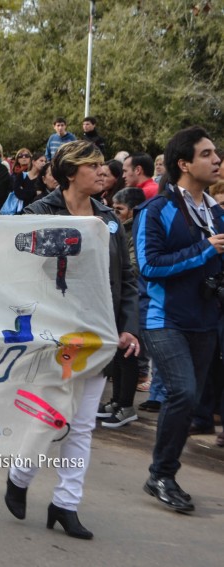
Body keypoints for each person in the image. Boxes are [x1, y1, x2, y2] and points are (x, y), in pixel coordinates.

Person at [4, 140, 139, 539]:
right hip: (53, 334)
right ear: (69, 172)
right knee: (50, 415)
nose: (102, 171)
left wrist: (128, 326)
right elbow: (18, 273)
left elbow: (126, 278)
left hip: (99, 335)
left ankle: (66, 503)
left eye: (102, 165)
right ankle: (19, 476)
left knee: (81, 426)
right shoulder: (38, 214)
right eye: (92, 165)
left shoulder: (108, 218)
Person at [134, 126, 223, 513]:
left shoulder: (217, 212)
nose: (217, 160)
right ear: (184, 164)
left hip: (205, 319)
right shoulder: (156, 209)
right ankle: (162, 475)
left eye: (215, 153)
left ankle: (163, 474)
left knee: (190, 401)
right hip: (163, 319)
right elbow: (149, 266)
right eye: (207, 154)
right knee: (183, 392)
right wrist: (205, 250)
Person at [97, 186, 147, 428]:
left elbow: (132, 266)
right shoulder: (115, 228)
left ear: (133, 211)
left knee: (127, 354)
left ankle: (126, 404)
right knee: (117, 353)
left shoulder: (133, 231)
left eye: (120, 209)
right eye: (113, 209)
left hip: (130, 298)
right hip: (113, 297)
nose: (115, 214)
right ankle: (116, 400)